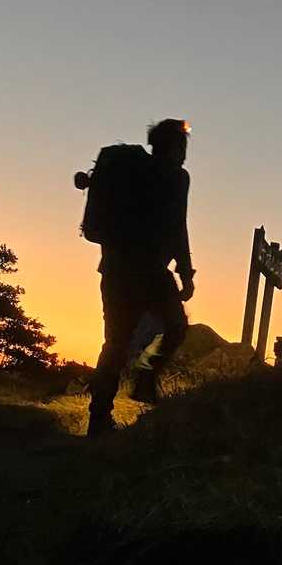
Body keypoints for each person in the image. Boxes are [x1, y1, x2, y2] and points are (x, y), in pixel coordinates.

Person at [78, 118, 195, 437]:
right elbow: (178, 227)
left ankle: (99, 419)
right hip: (151, 272)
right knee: (175, 326)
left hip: (116, 269)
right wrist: (186, 273)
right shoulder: (176, 178)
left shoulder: (128, 170)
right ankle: (145, 378)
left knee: (116, 343)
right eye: (183, 146)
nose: (185, 153)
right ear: (175, 147)